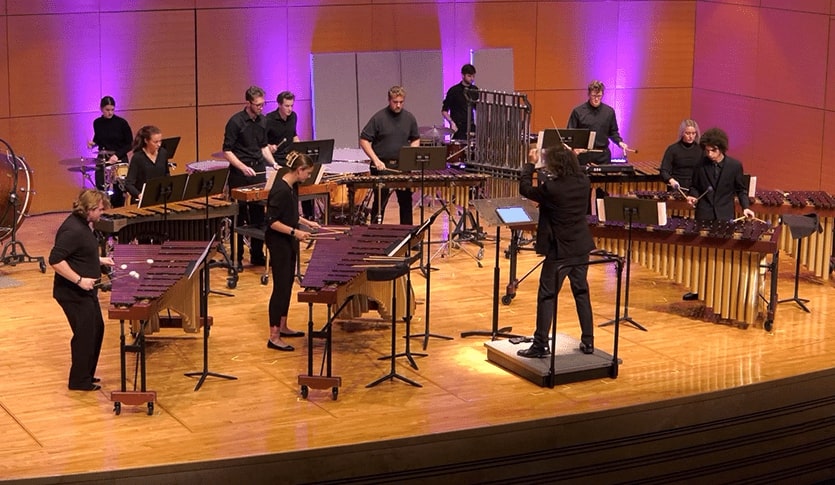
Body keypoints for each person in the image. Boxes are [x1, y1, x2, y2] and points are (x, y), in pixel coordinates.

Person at [517, 144, 596, 358]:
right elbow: (576, 171)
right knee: (581, 293)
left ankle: (540, 345)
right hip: (581, 246)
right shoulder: (584, 182)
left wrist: (530, 164)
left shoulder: (552, 188)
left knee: (547, 296)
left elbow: (525, 189)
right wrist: (571, 155)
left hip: (560, 250)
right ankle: (588, 342)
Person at [49, 189, 114, 391]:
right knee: (85, 334)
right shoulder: (73, 230)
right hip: (72, 293)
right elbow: (55, 260)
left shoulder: (83, 225)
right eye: (100, 210)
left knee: (96, 330)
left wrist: (100, 260)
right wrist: (79, 280)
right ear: (90, 209)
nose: (102, 213)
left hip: (86, 291)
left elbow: (79, 253)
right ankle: (78, 381)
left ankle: (86, 374)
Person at [682, 127, 754, 301]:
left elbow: (741, 190)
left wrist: (745, 207)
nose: (709, 154)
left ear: (721, 149)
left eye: (712, 150)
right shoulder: (700, 164)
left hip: (724, 215)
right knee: (702, 254)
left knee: (722, 254)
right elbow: (695, 186)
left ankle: (722, 290)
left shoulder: (734, 166)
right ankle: (699, 289)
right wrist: (692, 196)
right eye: (706, 150)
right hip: (704, 214)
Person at [264, 151, 321, 351]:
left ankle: (283, 326)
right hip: (278, 242)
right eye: (308, 173)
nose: (309, 176)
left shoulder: (292, 186)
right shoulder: (280, 189)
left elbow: (291, 215)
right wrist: (295, 232)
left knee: (288, 283)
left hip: (288, 239)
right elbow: (272, 222)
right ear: (299, 170)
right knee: (280, 287)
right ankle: (274, 336)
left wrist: (307, 223)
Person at [223, 85, 280, 267]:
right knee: (239, 217)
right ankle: (237, 258)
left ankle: (257, 255)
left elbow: (263, 147)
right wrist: (242, 166)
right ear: (248, 103)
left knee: (258, 217)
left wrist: (273, 163)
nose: (261, 108)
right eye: (258, 105)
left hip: (258, 173)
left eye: (263, 104)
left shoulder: (263, 121)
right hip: (240, 175)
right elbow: (227, 151)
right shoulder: (235, 122)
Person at [359, 85, 421, 225]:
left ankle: (406, 236)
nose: (398, 105)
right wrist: (375, 160)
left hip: (402, 167)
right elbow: (364, 139)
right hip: (381, 167)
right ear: (389, 100)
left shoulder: (409, 118)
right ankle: (375, 235)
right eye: (395, 102)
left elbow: (415, 138)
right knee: (380, 202)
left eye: (401, 102)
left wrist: (411, 155)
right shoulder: (379, 118)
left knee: (405, 202)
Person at [266, 91, 314, 220]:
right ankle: (286, 217)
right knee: (286, 191)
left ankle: (308, 216)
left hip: (291, 159)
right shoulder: (269, 120)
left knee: (305, 183)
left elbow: (293, 134)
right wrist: (270, 147)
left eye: (292, 105)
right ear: (279, 105)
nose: (290, 109)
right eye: (287, 106)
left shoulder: (293, 116)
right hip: (277, 161)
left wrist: (300, 149)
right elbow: (262, 143)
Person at [567, 80, 629, 165]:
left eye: (599, 96)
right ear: (589, 94)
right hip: (584, 156)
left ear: (602, 94)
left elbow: (613, 132)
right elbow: (571, 134)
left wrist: (619, 142)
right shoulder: (578, 111)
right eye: (593, 96)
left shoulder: (609, 112)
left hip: (603, 156)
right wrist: (574, 148)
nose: (596, 99)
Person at [87, 96, 132, 207]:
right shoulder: (97, 123)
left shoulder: (121, 123)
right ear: (101, 109)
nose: (110, 112)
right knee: (101, 188)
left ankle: (118, 211)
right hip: (103, 159)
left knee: (119, 190)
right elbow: (99, 138)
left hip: (119, 158)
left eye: (112, 109)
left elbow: (130, 143)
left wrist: (117, 155)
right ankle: (104, 211)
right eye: (107, 110)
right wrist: (93, 143)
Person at [124, 125, 170, 205]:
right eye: (155, 142)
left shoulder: (163, 153)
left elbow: (166, 174)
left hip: (160, 198)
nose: (159, 144)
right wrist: (139, 195)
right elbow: (129, 184)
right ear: (146, 141)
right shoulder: (137, 157)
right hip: (141, 201)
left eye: (160, 141)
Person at [660, 119, 702, 191]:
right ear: (682, 133)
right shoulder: (672, 149)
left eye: (693, 133)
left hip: (695, 187)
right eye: (687, 133)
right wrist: (671, 180)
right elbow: (664, 170)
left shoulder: (701, 149)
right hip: (677, 187)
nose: (691, 136)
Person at [442, 63, 478, 141]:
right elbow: (444, 111)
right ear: (463, 75)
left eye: (473, 76)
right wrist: (452, 123)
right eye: (469, 76)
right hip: (458, 127)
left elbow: (477, 108)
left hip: (471, 126)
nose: (472, 78)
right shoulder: (454, 90)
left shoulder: (475, 90)